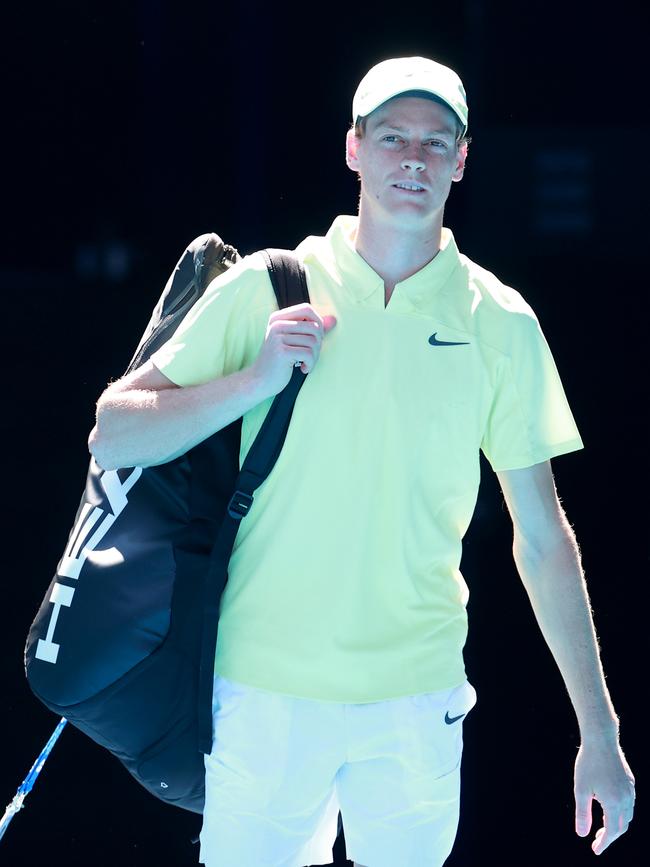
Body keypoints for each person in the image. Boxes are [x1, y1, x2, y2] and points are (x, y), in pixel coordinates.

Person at [88, 56, 635, 867]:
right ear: (354, 149)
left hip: (416, 699)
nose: (412, 158)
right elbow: (113, 432)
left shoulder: (501, 321)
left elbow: (544, 538)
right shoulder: (267, 287)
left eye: (434, 141)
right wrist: (255, 379)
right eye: (391, 137)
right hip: (261, 687)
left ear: (462, 158)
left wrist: (601, 730)